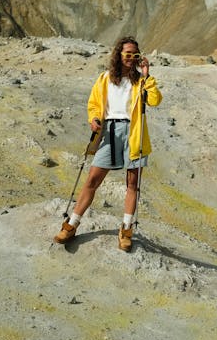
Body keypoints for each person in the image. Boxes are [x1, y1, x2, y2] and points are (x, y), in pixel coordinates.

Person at [54, 36, 162, 251]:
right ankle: (72, 224)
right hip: (110, 131)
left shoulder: (141, 81)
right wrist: (94, 118)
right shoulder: (104, 78)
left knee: (132, 184)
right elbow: (94, 104)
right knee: (92, 180)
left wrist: (147, 76)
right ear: (119, 55)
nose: (131, 58)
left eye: (135, 54)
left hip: (134, 133)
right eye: (127, 54)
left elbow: (154, 100)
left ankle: (126, 229)